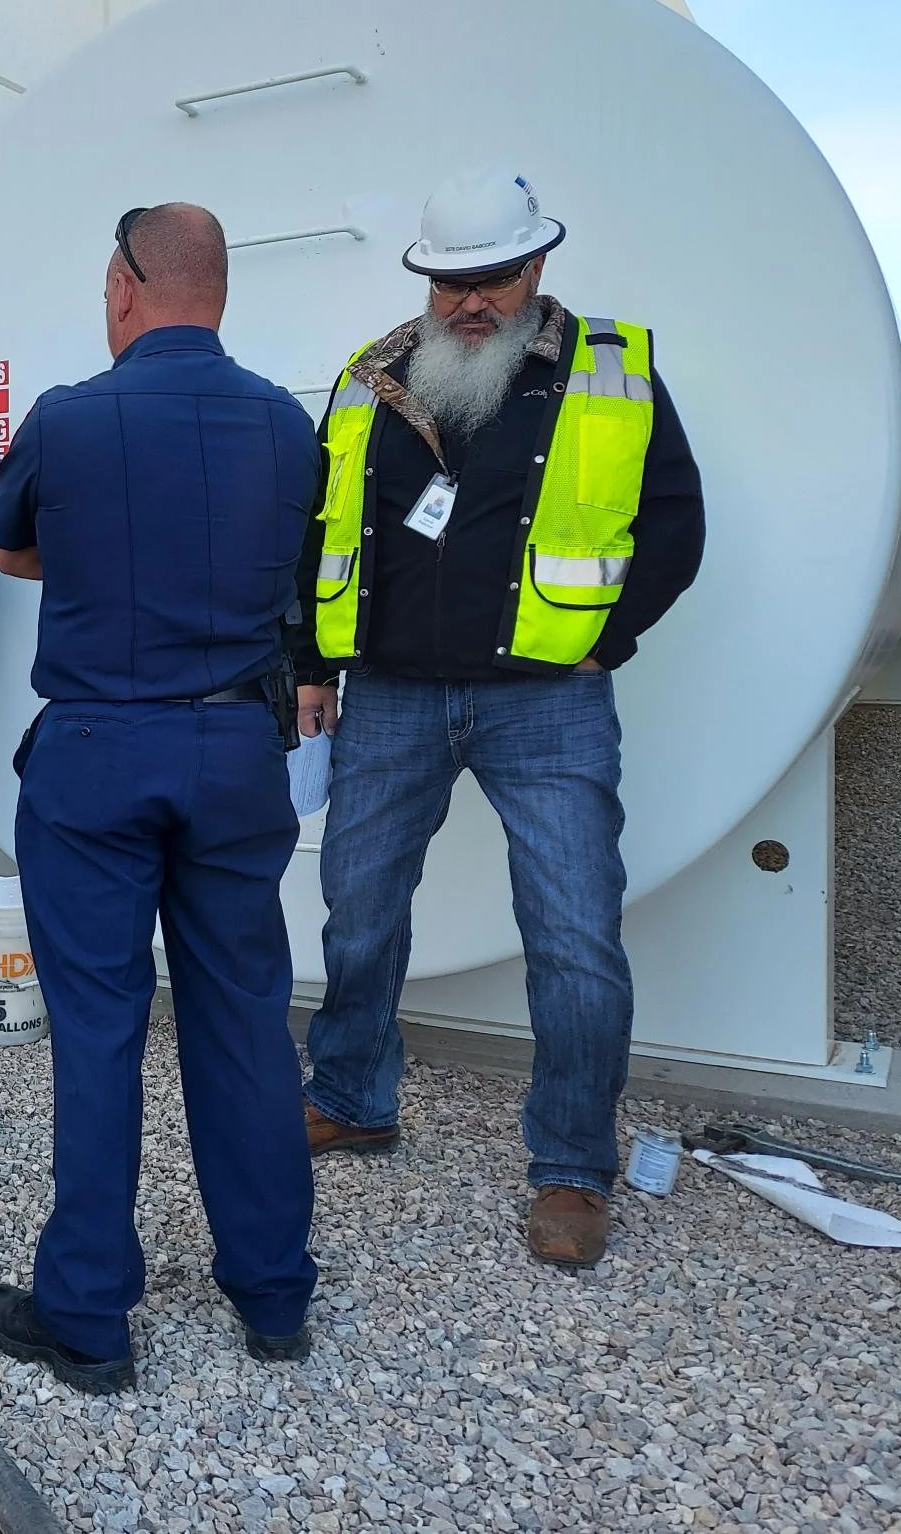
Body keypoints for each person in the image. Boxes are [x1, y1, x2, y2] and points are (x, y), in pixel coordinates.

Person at [295, 168, 705, 1268]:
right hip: (390, 694)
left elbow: (672, 526)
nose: (469, 302)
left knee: (572, 936)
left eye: (492, 278)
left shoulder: (608, 371)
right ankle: (350, 1097)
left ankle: (571, 1167)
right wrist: (310, 660)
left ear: (536, 267)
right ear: (423, 280)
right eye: (448, 283)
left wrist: (596, 642)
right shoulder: (365, 379)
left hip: (547, 702)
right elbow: (320, 527)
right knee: (357, 913)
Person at [0, 204, 321, 1393]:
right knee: (243, 1023)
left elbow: (11, 550)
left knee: (100, 1031)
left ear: (125, 287)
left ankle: (87, 1316)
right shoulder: (288, 424)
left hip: (97, 751)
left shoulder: (66, 418)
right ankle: (273, 1295)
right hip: (234, 751)